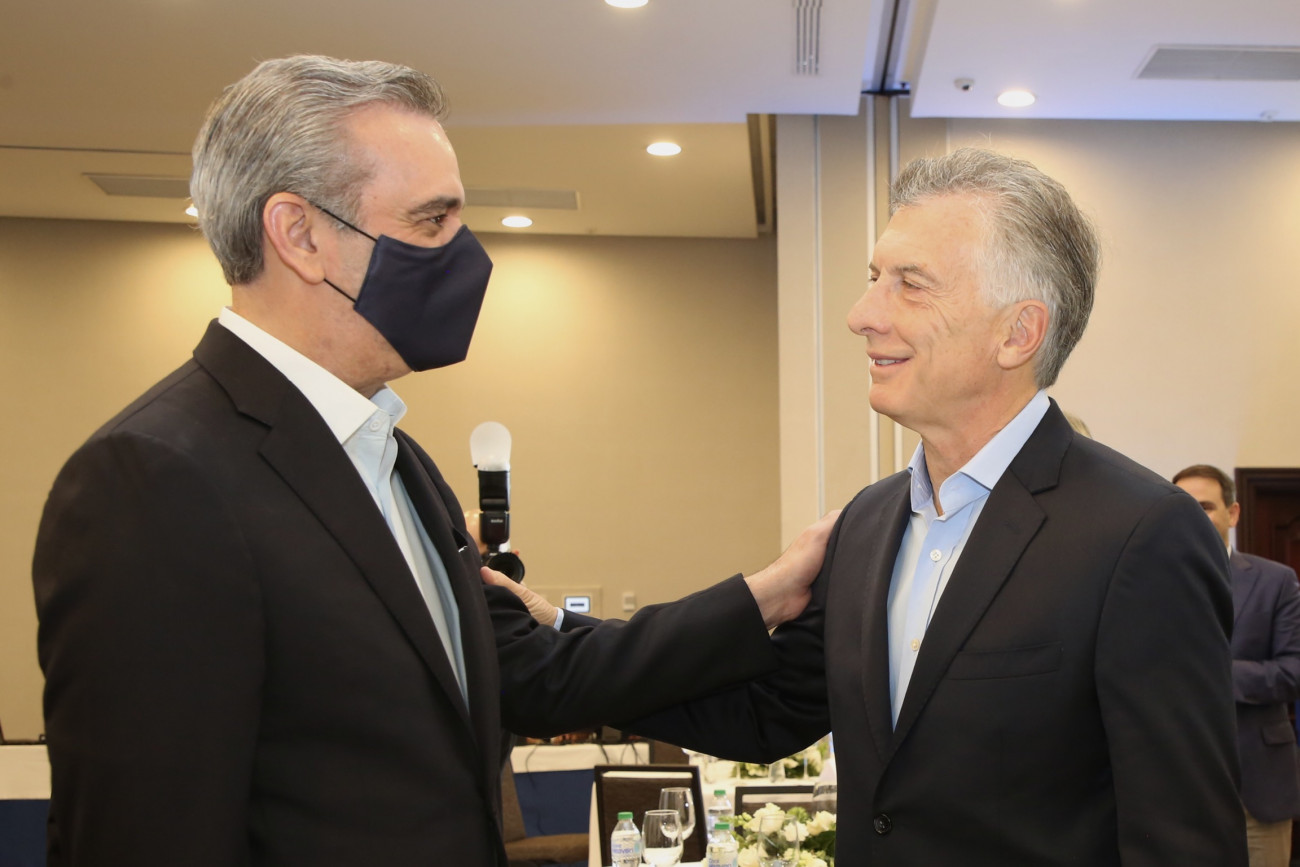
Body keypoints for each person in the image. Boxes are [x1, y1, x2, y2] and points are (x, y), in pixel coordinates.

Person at [30, 55, 837, 866]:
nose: (464, 253)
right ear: (300, 235)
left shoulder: (396, 461)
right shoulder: (156, 477)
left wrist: (765, 593)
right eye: (431, 222)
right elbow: (142, 833)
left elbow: (531, 671)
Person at [630, 147, 1247, 865]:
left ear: (1017, 333)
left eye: (911, 285)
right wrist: (548, 647)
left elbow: (1183, 838)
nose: (861, 315)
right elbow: (764, 712)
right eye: (875, 278)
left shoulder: (1141, 532)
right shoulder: (867, 522)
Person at [1175, 464, 1300, 867]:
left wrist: (1210, 675)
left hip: (1257, 789)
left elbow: (1293, 672)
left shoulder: (1276, 581)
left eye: (1206, 506)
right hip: (1179, 789)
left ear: (1233, 513)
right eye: (1183, 506)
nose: (1194, 516)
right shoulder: (1151, 583)